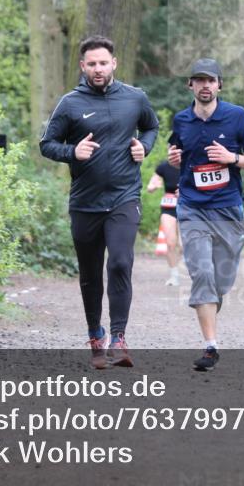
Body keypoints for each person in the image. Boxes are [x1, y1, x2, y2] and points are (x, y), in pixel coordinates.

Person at [40, 35, 159, 369]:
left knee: (120, 262)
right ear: (82, 66)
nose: (97, 69)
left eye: (103, 63)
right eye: (91, 64)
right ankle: (96, 336)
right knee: (90, 274)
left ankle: (119, 338)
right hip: (85, 202)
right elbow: (47, 144)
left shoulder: (136, 98)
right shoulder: (70, 103)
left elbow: (151, 127)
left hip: (124, 197)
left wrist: (144, 147)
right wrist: (72, 152)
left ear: (114, 64)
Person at [168, 58, 244, 371]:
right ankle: (211, 346)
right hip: (192, 207)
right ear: (190, 85)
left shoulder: (237, 117)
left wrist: (231, 157)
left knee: (221, 280)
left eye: (210, 80)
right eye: (198, 80)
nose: (205, 86)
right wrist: (174, 158)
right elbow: (179, 157)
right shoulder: (181, 120)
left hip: (228, 209)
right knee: (202, 272)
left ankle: (209, 305)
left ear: (219, 84)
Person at [146, 158, 182, 286]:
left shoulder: (191, 163)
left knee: (183, 245)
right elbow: (149, 187)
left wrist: (186, 192)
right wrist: (153, 186)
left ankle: (197, 273)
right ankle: (174, 276)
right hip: (169, 208)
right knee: (170, 243)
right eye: (171, 147)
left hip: (189, 207)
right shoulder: (163, 167)